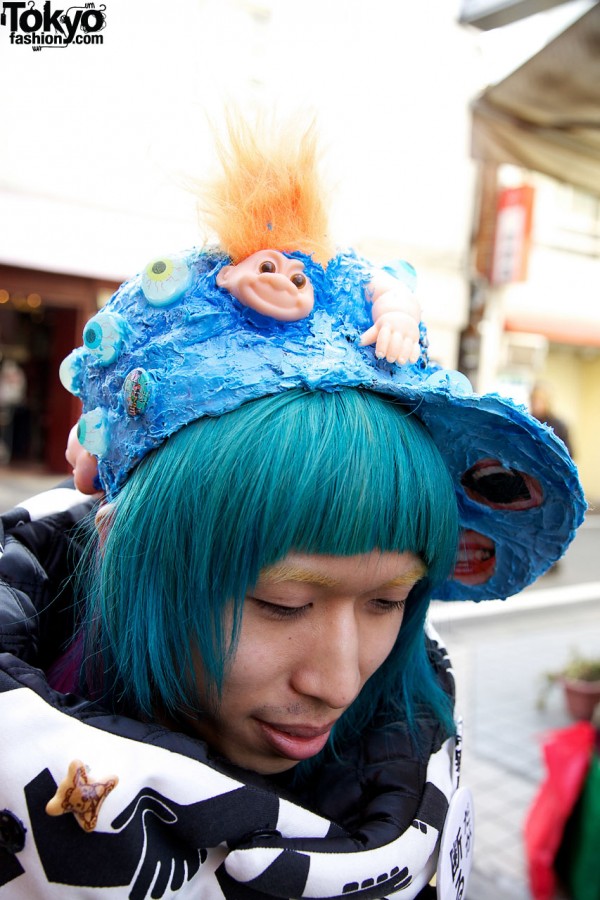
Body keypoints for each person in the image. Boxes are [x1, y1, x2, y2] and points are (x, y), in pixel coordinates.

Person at [0, 120, 586, 899]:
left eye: (388, 600)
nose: (338, 681)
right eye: (283, 603)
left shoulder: (415, 769)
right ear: (121, 547)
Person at [530, 381, 573, 456]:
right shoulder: (527, 422)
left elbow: (570, 454)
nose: (536, 404)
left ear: (547, 402)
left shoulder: (560, 426)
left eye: (539, 400)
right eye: (533, 400)